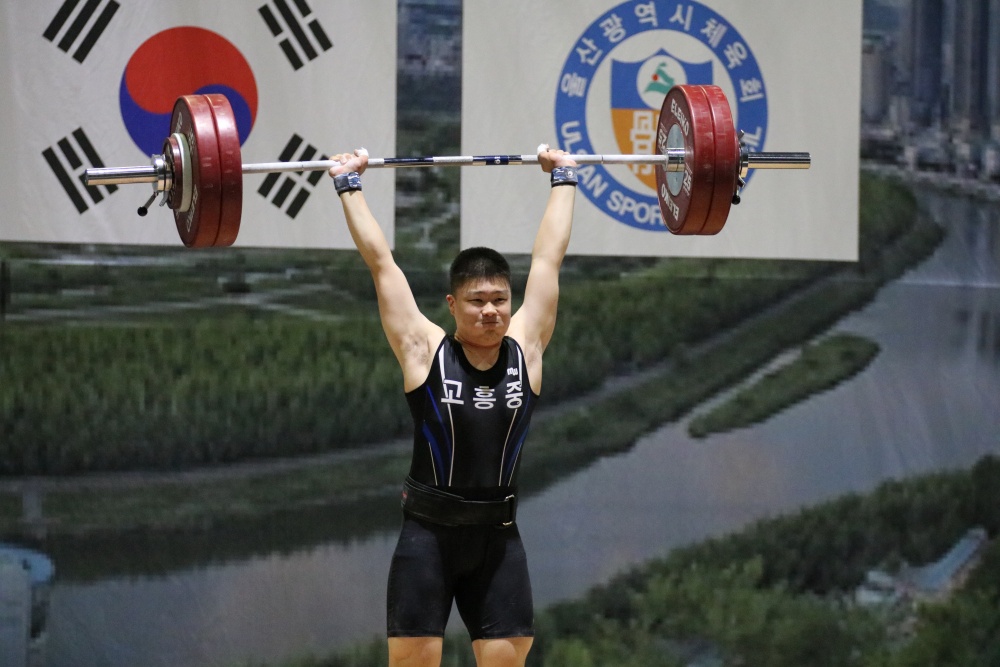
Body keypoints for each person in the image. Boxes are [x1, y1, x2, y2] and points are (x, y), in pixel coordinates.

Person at [328, 145, 578, 667]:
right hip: (428, 539)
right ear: (452, 304)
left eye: (499, 299)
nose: (491, 311)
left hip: (498, 540)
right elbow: (381, 264)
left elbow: (548, 260)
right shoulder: (425, 352)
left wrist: (564, 179)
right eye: (477, 301)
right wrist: (348, 184)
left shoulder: (526, 347)